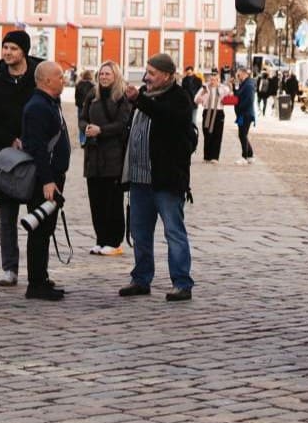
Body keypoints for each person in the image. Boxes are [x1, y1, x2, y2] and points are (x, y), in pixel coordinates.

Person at [120, 53, 196, 302]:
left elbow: (166, 117)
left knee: (174, 231)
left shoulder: (179, 98)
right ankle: (141, 278)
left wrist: (139, 100)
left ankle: (182, 282)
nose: (146, 77)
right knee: (140, 232)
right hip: (140, 178)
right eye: (147, 72)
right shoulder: (145, 96)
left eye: (151, 73)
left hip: (166, 179)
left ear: (166, 75)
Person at [0, 30, 41, 286]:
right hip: (4, 156)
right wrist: (7, 138)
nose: (7, 52)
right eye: (5, 48)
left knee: (36, 215)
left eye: (13, 48)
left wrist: (32, 138)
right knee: (7, 216)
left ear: (23, 51)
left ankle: (38, 270)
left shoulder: (38, 78)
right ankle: (9, 269)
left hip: (35, 155)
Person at [19, 61, 71, 301]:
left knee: (46, 228)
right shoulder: (38, 106)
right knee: (39, 230)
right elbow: (37, 148)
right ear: (47, 80)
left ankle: (41, 276)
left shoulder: (50, 102)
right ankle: (36, 283)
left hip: (52, 177)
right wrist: (48, 181)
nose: (64, 79)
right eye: (59, 76)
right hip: (44, 179)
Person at [81, 61, 132, 255]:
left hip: (113, 156)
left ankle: (114, 241)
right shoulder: (91, 95)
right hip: (93, 156)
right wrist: (85, 127)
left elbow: (122, 123)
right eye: (101, 74)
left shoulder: (121, 97)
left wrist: (101, 130)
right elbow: (82, 117)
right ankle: (101, 239)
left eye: (107, 74)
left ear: (115, 76)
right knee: (96, 200)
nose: (103, 77)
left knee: (112, 201)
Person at [196, 72, 230, 163]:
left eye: (215, 79)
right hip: (207, 112)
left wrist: (225, 89)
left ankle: (215, 157)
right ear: (208, 79)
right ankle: (207, 156)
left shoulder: (223, 88)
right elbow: (196, 99)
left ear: (218, 80)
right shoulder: (205, 88)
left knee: (217, 135)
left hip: (218, 112)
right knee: (207, 134)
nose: (213, 81)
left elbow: (229, 95)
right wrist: (203, 94)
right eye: (211, 79)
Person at [233, 68, 257, 165]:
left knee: (242, 134)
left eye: (239, 75)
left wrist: (239, 107)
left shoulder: (249, 85)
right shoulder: (244, 84)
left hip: (245, 114)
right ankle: (250, 155)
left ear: (244, 74)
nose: (238, 77)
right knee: (242, 135)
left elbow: (249, 100)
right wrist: (234, 87)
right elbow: (237, 95)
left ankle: (244, 157)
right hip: (241, 114)